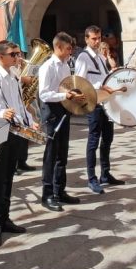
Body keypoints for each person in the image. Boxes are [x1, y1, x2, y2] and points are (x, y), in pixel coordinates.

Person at [0, 40, 36, 247]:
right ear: (0, 57)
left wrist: (30, 121)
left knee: (9, 177)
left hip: (14, 131)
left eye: (18, 53)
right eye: (13, 54)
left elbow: (20, 105)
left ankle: (5, 219)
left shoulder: (14, 76)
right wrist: (1, 113)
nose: (17, 57)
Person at [38, 32, 84, 212]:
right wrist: (65, 95)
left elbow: (65, 87)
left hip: (63, 109)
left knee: (62, 154)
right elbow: (44, 94)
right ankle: (47, 195)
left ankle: (60, 190)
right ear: (58, 47)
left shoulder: (65, 65)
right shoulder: (48, 67)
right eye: (68, 48)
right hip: (51, 112)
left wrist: (73, 94)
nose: (70, 52)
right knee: (51, 154)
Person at [75, 26, 123, 194]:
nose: (97, 41)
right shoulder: (83, 57)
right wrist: (99, 86)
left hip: (105, 103)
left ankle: (105, 174)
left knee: (108, 138)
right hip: (93, 104)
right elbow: (79, 83)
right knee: (93, 140)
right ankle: (91, 178)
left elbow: (103, 78)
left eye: (99, 38)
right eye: (93, 38)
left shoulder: (100, 57)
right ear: (86, 39)